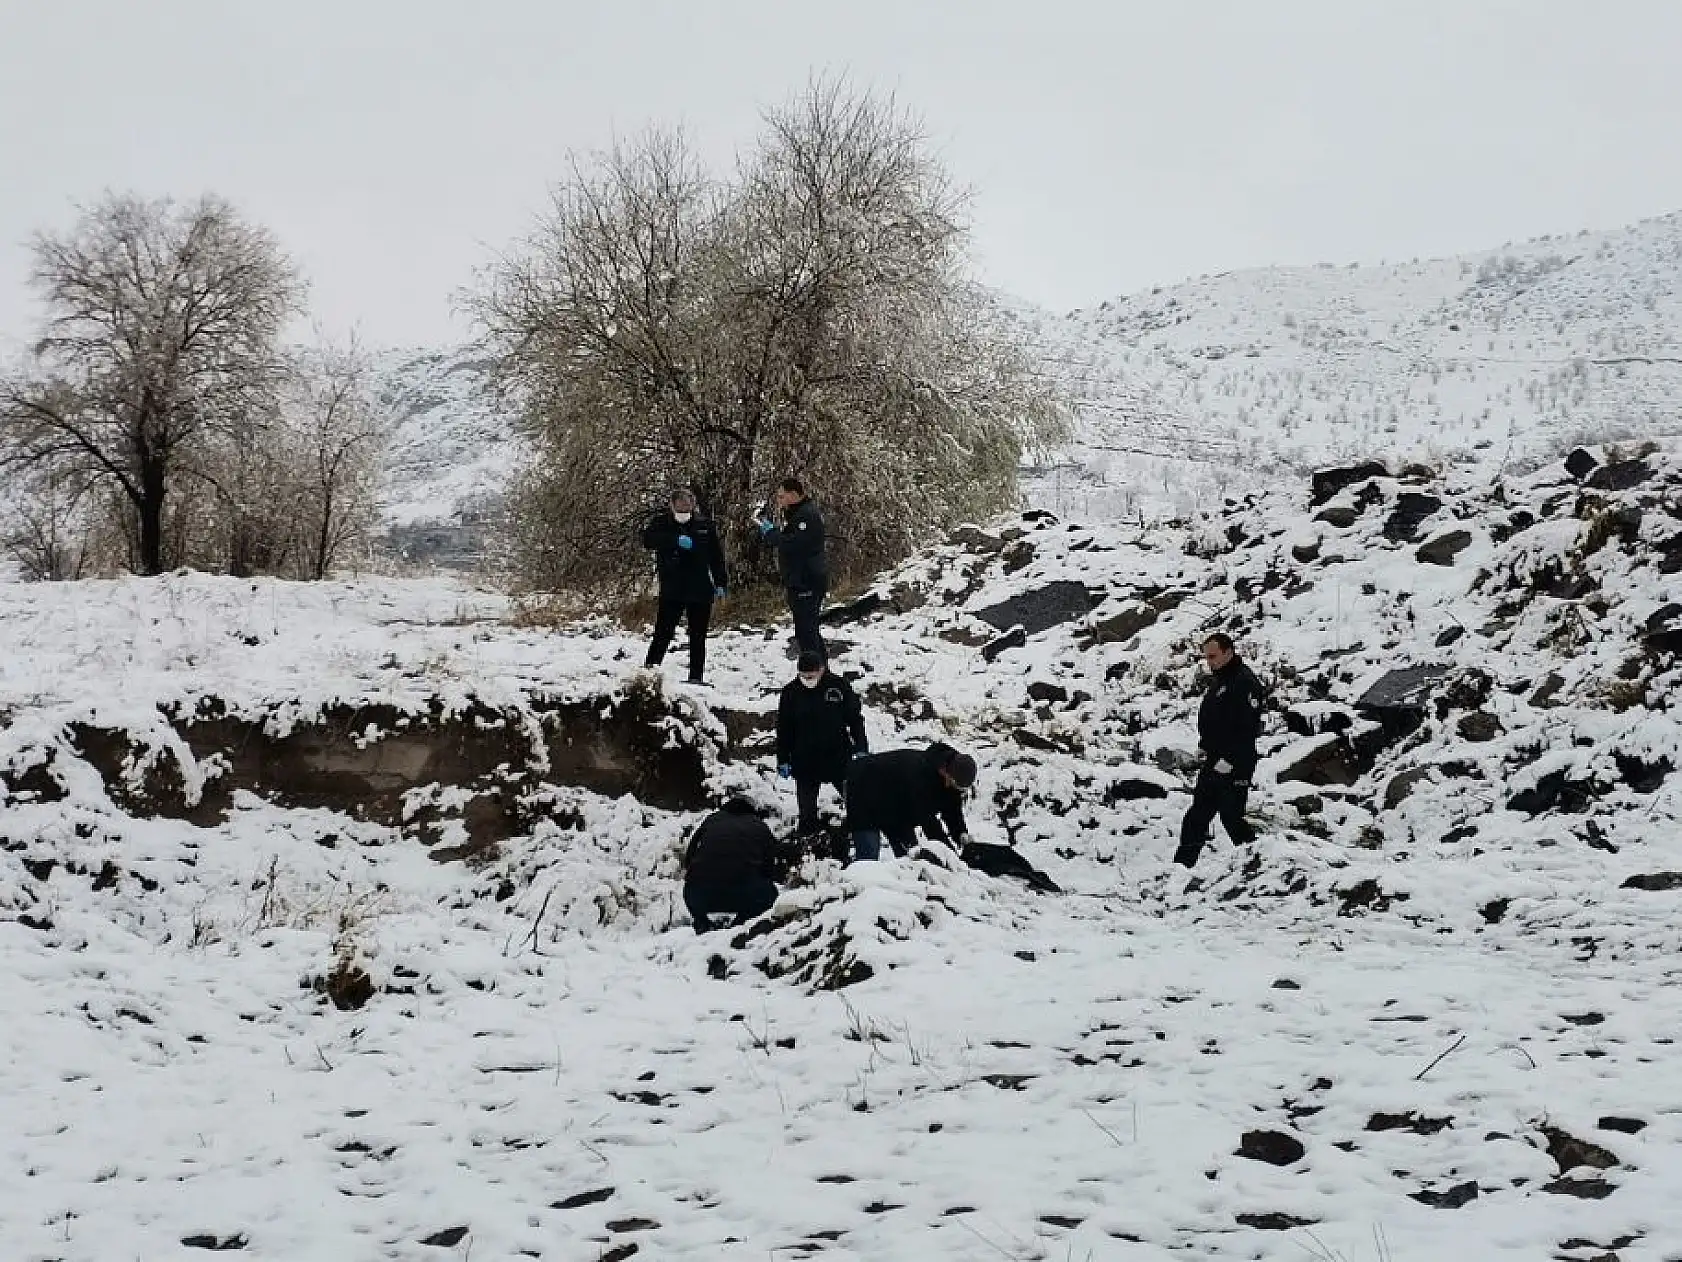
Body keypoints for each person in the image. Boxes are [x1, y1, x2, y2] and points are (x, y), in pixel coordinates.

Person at [1174, 633, 1264, 867]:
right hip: (1215, 759)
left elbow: (1246, 727)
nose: (1209, 662)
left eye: (1213, 656)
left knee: (1231, 818)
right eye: (1206, 658)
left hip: (1235, 762)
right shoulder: (1222, 680)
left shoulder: (1244, 682)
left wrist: (1229, 761)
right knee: (1197, 817)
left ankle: (1259, 861)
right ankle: (1182, 868)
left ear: (1228, 652)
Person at [777, 649, 868, 840]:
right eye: (803, 676)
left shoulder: (838, 686)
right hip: (804, 760)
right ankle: (809, 844)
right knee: (807, 812)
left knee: (857, 802)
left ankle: (862, 837)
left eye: (811, 676)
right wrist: (783, 758)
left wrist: (861, 748)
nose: (807, 680)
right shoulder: (791, 692)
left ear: (822, 670)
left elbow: (855, 720)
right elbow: (784, 728)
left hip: (838, 756)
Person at [641, 487, 728, 685]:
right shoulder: (661, 523)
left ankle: (696, 677)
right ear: (672, 506)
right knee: (663, 632)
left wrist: (721, 582)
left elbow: (716, 557)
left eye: (687, 508)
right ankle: (649, 672)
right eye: (680, 508)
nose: (684, 512)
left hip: (700, 588)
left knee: (698, 636)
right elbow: (648, 540)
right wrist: (674, 540)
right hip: (673, 588)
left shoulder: (705, 525)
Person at [845, 742, 976, 863]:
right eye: (956, 785)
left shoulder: (954, 771)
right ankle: (859, 884)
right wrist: (951, 858)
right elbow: (929, 824)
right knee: (868, 857)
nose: (958, 790)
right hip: (863, 791)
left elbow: (952, 809)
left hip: (897, 807)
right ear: (945, 773)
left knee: (910, 857)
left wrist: (961, 833)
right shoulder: (921, 776)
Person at [752, 477, 827, 660]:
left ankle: (817, 671)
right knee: (805, 631)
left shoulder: (806, 516)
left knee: (807, 631)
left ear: (793, 495)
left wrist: (771, 533)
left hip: (807, 580)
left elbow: (793, 544)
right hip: (798, 580)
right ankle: (817, 669)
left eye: (781, 497)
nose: (779, 501)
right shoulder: (796, 514)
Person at [682, 798, 781, 933]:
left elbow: (689, 857)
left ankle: (702, 923)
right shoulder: (759, 825)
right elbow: (769, 867)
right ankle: (741, 925)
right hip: (743, 893)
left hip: (699, 894)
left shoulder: (711, 820)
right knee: (770, 894)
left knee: (692, 885)